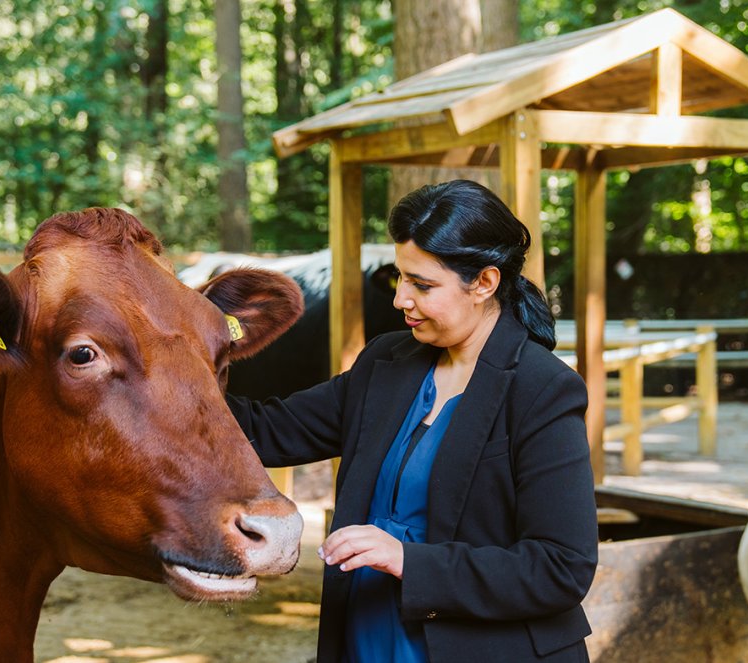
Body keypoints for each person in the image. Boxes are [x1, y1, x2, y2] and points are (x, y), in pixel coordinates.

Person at [226, 179, 598, 662]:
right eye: (401, 277)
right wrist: (162, 369)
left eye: (422, 285)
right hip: (367, 640)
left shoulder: (543, 389)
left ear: (484, 283)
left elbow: (561, 568)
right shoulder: (386, 362)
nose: (401, 298)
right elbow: (266, 431)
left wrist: (407, 560)